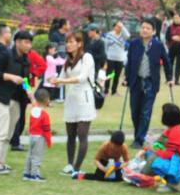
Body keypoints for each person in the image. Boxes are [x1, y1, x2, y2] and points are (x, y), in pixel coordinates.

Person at [49, 31, 96, 176]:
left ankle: (77, 167)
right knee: (70, 135)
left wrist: (61, 81)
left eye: (71, 42)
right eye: (67, 42)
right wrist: (52, 80)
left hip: (85, 99)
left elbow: (81, 78)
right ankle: (69, 164)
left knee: (82, 135)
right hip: (71, 100)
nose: (68, 45)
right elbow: (59, 81)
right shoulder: (67, 61)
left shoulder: (87, 57)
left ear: (80, 43)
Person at [0, 25, 31, 174]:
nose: (28, 45)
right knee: (1, 130)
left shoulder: (26, 59)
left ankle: (1, 161)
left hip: (17, 100)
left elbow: (25, 79)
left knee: (10, 132)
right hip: (1, 96)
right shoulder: (6, 54)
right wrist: (11, 77)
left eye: (29, 43)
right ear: (17, 42)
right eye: (25, 42)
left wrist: (30, 93)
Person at [125, 17, 174, 148]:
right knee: (135, 112)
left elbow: (167, 62)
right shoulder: (134, 44)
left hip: (151, 83)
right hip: (135, 82)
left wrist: (170, 77)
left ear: (153, 31)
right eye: (143, 27)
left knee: (145, 113)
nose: (145, 30)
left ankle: (139, 139)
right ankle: (138, 136)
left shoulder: (158, 45)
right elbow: (129, 63)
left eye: (148, 28)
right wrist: (126, 78)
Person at [136, 103, 180, 193]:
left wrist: (152, 149)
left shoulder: (177, 131)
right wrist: (144, 150)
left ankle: (175, 182)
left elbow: (167, 154)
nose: (161, 115)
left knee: (155, 161)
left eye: (163, 114)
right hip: (174, 162)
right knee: (149, 154)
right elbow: (157, 143)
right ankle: (153, 177)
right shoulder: (169, 130)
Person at [22, 87, 52, 182]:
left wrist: (25, 85)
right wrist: (49, 141)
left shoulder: (33, 108)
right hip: (40, 138)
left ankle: (27, 173)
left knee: (30, 155)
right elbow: (47, 130)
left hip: (32, 136)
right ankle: (34, 175)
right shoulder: (45, 115)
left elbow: (31, 96)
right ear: (47, 100)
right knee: (37, 156)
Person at [102, 20, 129, 95]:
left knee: (117, 75)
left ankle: (114, 91)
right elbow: (105, 47)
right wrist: (106, 58)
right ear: (114, 27)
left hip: (120, 59)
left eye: (120, 27)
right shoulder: (109, 35)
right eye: (117, 26)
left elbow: (128, 35)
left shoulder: (123, 35)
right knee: (109, 75)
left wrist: (122, 26)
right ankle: (106, 91)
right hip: (110, 58)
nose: (119, 28)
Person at [165, 11, 180, 85]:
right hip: (172, 48)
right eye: (175, 18)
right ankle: (169, 78)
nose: (176, 19)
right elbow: (167, 37)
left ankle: (177, 80)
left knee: (179, 64)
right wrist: (173, 37)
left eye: (178, 18)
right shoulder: (170, 27)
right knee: (170, 64)